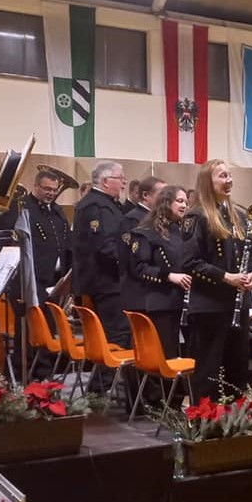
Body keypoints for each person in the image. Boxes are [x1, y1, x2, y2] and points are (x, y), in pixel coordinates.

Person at [0, 168, 71, 381]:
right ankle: (32, 375)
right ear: (36, 186)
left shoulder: (58, 211)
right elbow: (4, 234)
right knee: (30, 330)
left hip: (54, 281)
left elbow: (64, 241)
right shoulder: (21, 208)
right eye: (46, 189)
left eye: (54, 189)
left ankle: (43, 374)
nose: (51, 193)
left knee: (49, 328)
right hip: (29, 280)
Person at [182, 159, 252, 399]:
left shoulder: (239, 216)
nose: (229, 180)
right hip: (210, 305)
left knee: (238, 369)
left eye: (230, 176)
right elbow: (189, 263)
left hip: (238, 303)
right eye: (223, 176)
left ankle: (235, 423)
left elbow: (249, 255)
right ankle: (205, 423)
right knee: (209, 370)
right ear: (208, 181)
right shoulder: (195, 216)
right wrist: (226, 277)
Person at [72, 161, 129, 392]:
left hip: (97, 281)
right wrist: (129, 267)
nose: (123, 183)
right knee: (116, 334)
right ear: (106, 182)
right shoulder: (99, 206)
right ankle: (100, 386)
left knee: (109, 333)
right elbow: (107, 246)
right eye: (120, 178)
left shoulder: (94, 203)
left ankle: (102, 385)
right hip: (107, 282)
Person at [131, 185, 190, 359]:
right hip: (162, 302)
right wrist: (169, 276)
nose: (184, 205)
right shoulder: (145, 232)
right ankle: (163, 386)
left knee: (187, 353)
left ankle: (182, 387)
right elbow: (140, 268)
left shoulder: (183, 231)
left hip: (186, 303)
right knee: (165, 353)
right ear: (166, 203)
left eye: (186, 202)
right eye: (179, 201)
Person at [119, 177, 167, 315]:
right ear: (146, 195)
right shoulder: (133, 219)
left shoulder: (156, 218)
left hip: (153, 293)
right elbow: (132, 260)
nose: (166, 199)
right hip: (139, 293)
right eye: (162, 194)